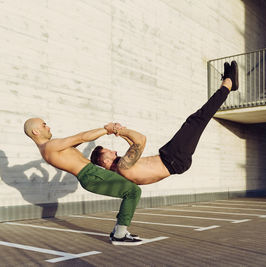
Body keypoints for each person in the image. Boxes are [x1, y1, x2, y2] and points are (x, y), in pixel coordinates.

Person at [90, 61, 238, 185]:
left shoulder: (122, 169)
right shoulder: (123, 167)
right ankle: (229, 83)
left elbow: (134, 147)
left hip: (172, 158)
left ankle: (227, 84)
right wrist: (117, 130)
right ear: (105, 161)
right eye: (109, 152)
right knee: (198, 119)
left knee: (196, 120)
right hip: (174, 158)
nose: (114, 151)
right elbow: (141, 140)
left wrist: (122, 132)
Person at [23, 118, 143, 245]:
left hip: (91, 173)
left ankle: (119, 231)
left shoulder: (50, 148)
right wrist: (108, 129)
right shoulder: (49, 146)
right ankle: (120, 234)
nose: (48, 127)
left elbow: (77, 142)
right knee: (133, 191)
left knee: (131, 190)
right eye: (44, 125)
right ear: (36, 131)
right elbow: (81, 137)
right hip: (91, 174)